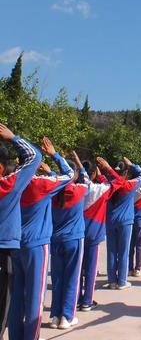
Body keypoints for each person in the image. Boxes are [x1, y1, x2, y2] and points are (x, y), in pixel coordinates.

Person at [8, 137, 73, 340]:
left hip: (15, 244)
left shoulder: (12, 183)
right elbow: (69, 175)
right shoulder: (41, 184)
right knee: (35, 298)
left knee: (16, 297)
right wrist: (54, 155)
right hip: (37, 245)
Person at [0, 123, 41, 338]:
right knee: (6, 305)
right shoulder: (9, 185)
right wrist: (13, 137)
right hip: (6, 250)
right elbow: (35, 156)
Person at [72, 153, 125, 312]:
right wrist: (107, 168)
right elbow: (120, 182)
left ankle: (76, 299)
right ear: (94, 173)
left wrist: (77, 162)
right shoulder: (100, 190)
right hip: (94, 234)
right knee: (90, 269)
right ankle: (87, 301)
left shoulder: (76, 189)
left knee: (78, 269)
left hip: (77, 233)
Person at [49, 154, 89, 330]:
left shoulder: (52, 192)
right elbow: (86, 177)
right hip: (73, 239)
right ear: (73, 174)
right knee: (72, 278)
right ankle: (67, 316)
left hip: (55, 239)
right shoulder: (79, 189)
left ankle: (55, 316)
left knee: (57, 279)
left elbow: (56, 178)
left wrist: (52, 170)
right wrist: (78, 164)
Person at [105, 158, 141, 290]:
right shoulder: (130, 185)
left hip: (110, 221)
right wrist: (132, 165)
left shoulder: (108, 185)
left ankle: (111, 280)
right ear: (125, 172)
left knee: (111, 251)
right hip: (125, 222)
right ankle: (122, 281)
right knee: (124, 252)